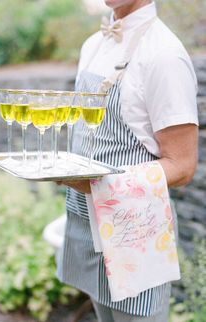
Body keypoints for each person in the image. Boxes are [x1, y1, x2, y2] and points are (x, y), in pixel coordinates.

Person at [56, 1, 199, 321]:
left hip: (135, 236)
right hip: (84, 224)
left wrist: (95, 183)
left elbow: (183, 165)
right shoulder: (93, 45)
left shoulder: (164, 55)